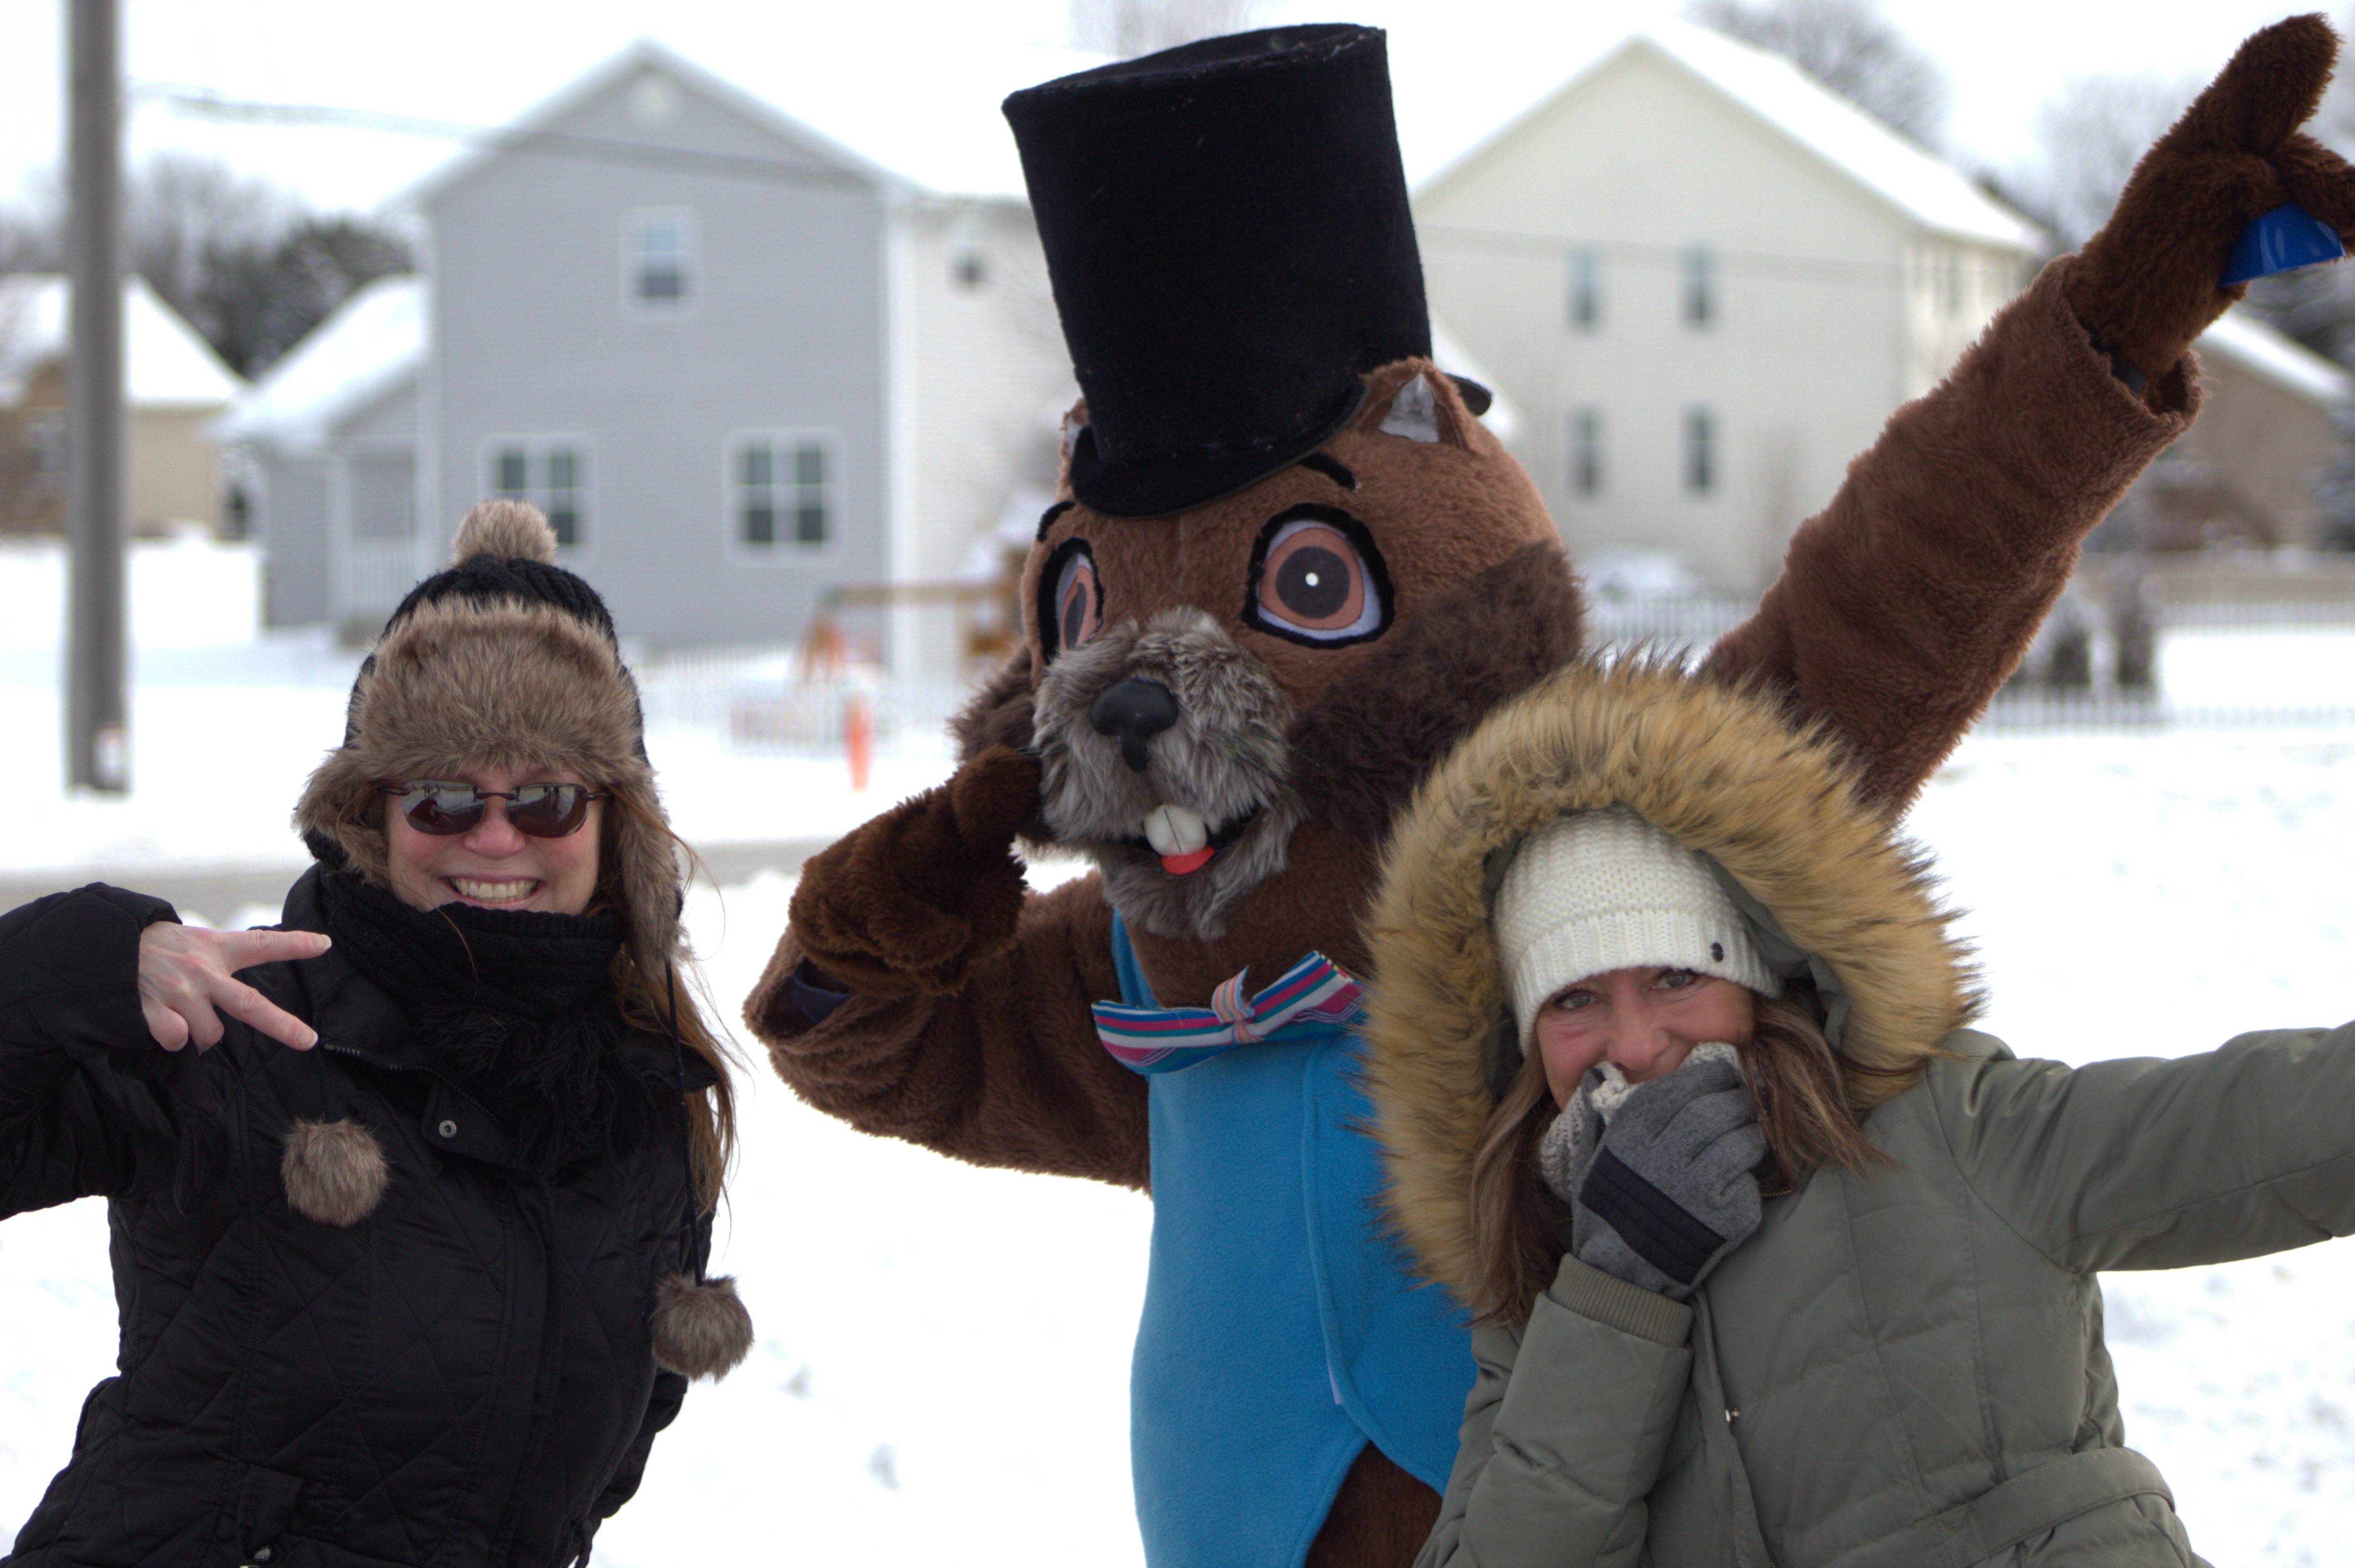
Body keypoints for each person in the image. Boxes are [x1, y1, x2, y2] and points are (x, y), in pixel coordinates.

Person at [1357, 655, 2355, 1567]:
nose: (1634, 1043)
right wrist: (1620, 1295)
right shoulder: (1542, 1282)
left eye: (1674, 976)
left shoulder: (1953, 1127)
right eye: (1575, 999)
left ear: (1756, 980)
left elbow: (2266, 1129)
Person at [0, 500, 751, 1568]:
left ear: (611, 823)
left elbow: (597, 1456)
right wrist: (73, 964)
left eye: (546, 798)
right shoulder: (245, 1033)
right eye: (441, 797)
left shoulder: (643, 1099)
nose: (495, 835)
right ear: (373, 815)